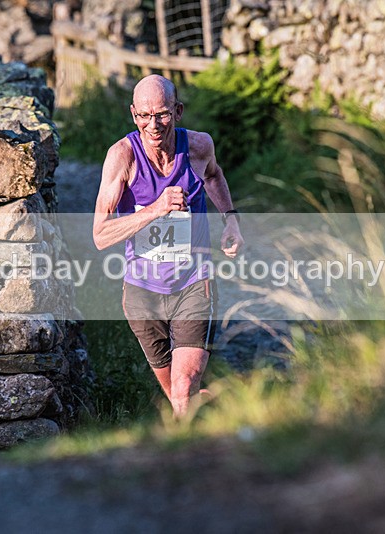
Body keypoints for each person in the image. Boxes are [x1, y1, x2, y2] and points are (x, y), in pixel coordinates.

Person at [93, 74, 244, 417]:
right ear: (133, 115)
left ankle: (186, 460)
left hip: (194, 283)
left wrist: (231, 220)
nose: (153, 124)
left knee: (182, 389)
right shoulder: (122, 157)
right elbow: (100, 235)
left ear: (177, 111)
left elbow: (214, 175)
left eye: (161, 114)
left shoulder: (198, 147)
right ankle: (210, 416)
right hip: (141, 293)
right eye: (144, 116)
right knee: (179, 395)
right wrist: (156, 209)